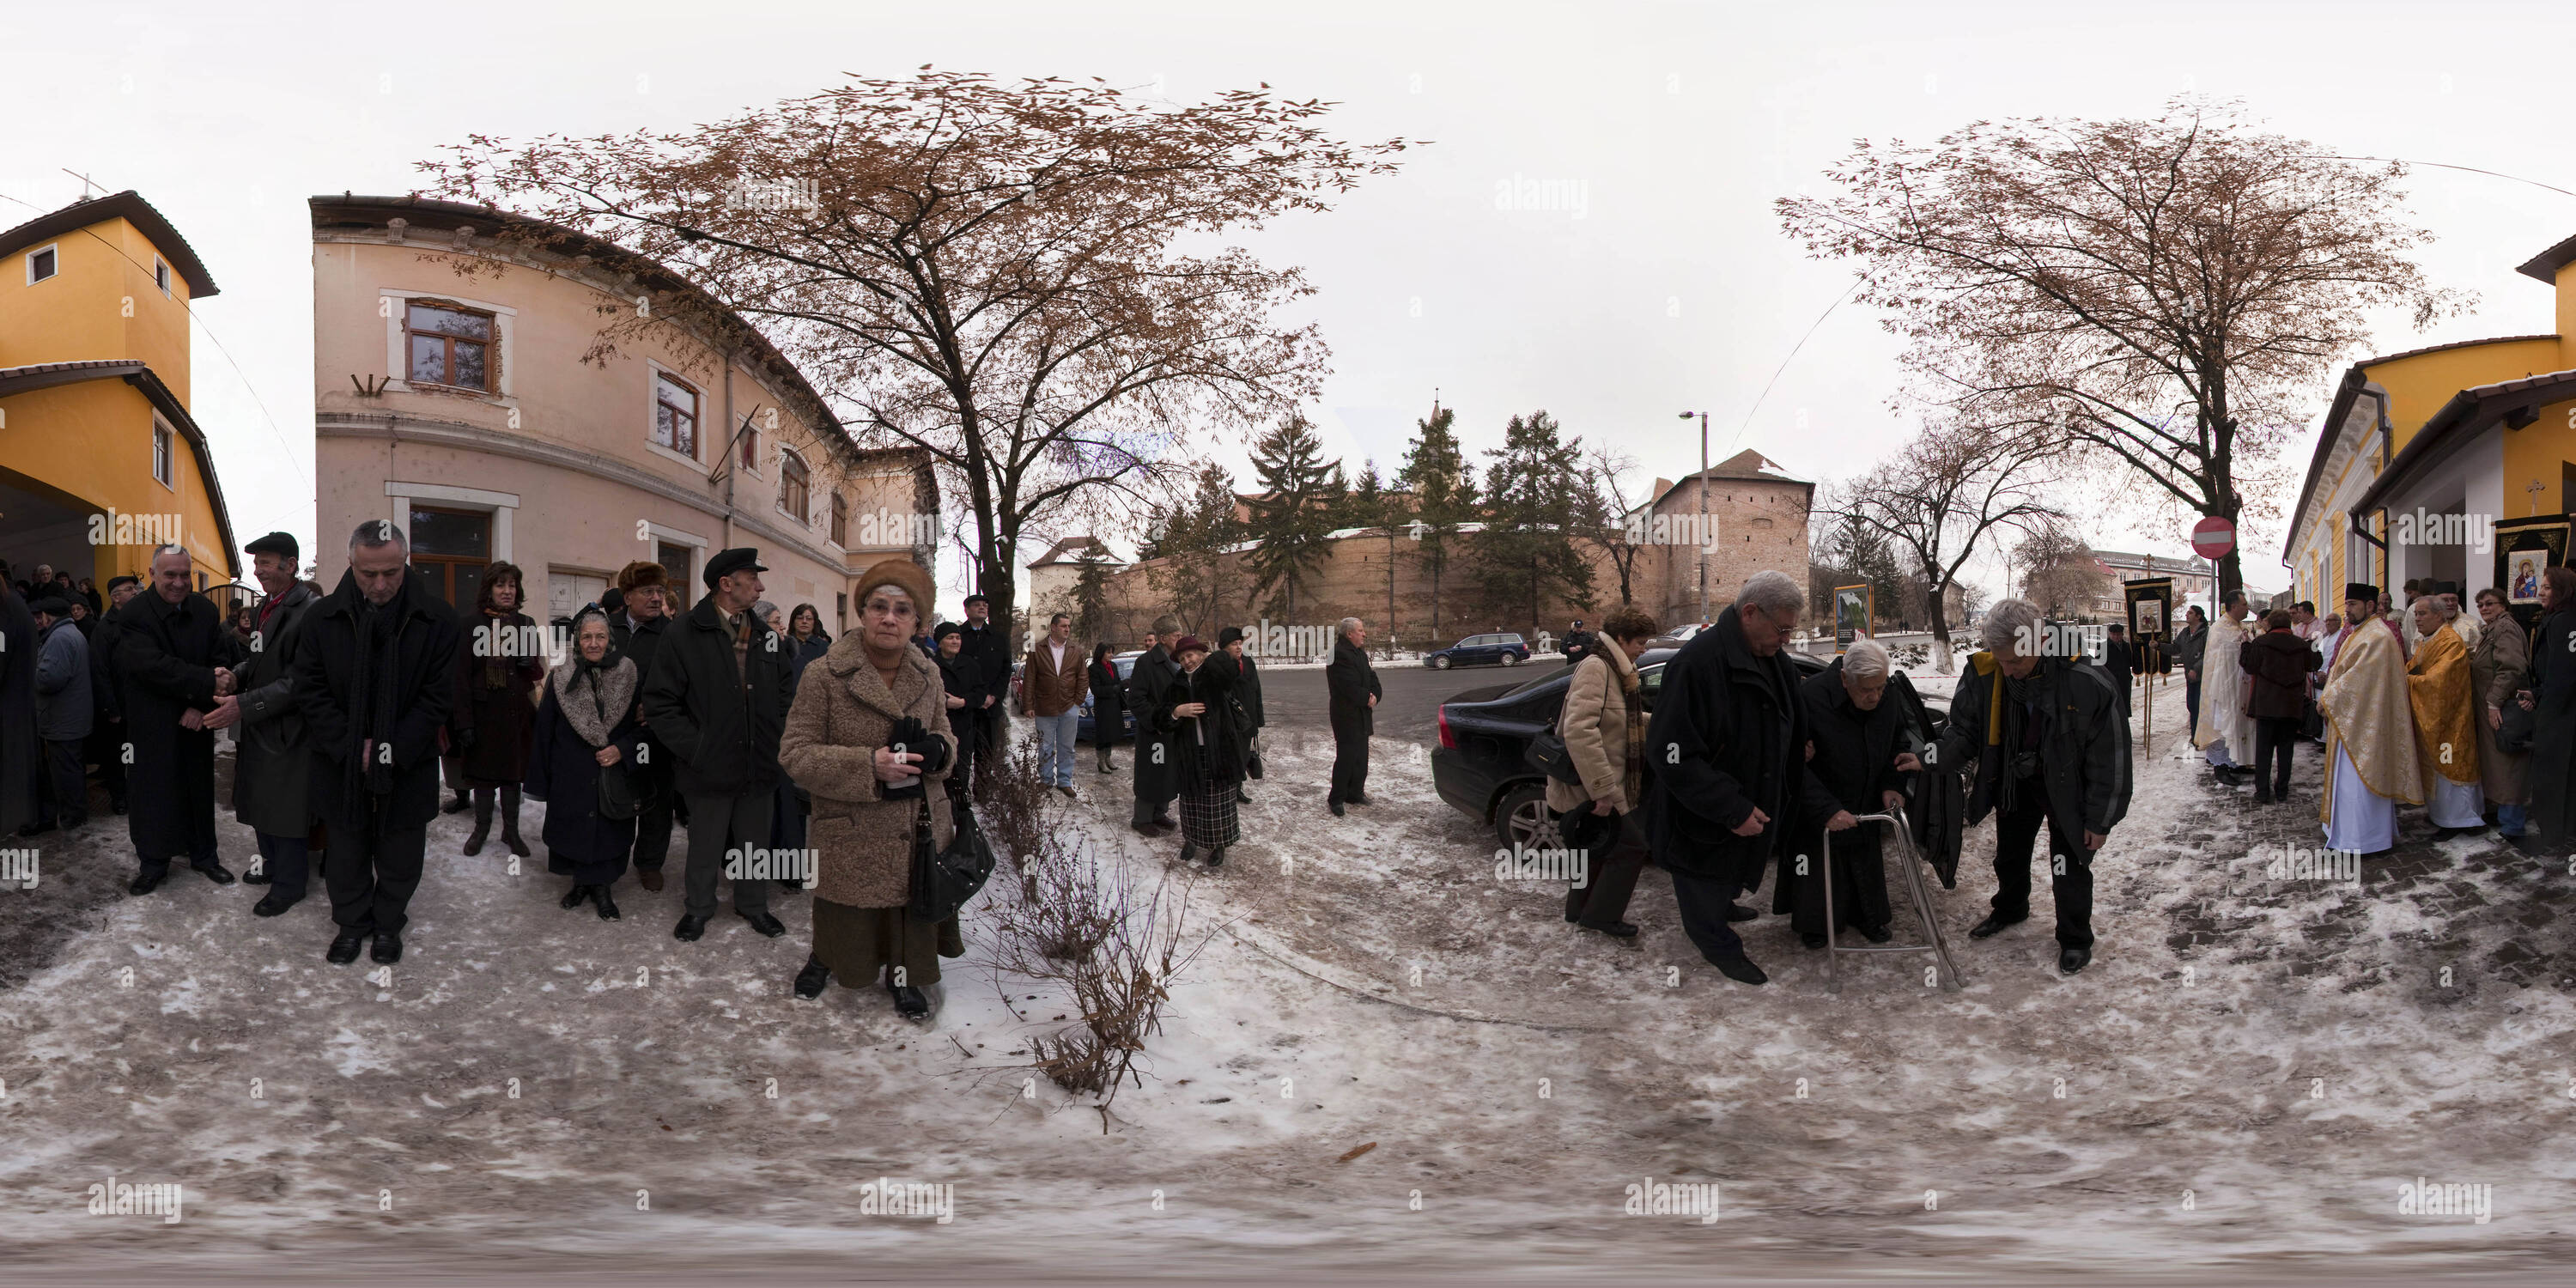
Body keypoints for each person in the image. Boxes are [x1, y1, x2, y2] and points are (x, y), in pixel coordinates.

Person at [779, 558, 959, 1018]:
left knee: (907, 909)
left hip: (915, 824)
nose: (889, 618)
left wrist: (941, 751)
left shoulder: (930, 674)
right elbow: (795, 754)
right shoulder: (824, 674)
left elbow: (946, 733)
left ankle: (905, 979)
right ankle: (824, 959)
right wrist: (868, 765)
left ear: (917, 623)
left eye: (902, 610)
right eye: (879, 606)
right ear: (862, 613)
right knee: (843, 912)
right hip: (850, 825)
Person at [1644, 573, 1840, 985]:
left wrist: (1798, 741)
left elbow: (1787, 715)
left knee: (1728, 872)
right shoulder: (1697, 664)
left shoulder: (1774, 661)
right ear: (1750, 613)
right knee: (1703, 881)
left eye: (1791, 629)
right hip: (1706, 814)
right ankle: (1718, 945)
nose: (1786, 638)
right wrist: (1731, 808)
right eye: (1782, 628)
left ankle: (1723, 906)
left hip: (1752, 801)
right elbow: (1671, 753)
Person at [1934, 598, 2131, 975]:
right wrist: (1931, 757)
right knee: (2009, 854)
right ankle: (2010, 907)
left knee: (2067, 864)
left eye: (2015, 662)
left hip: (2066, 786)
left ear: (2040, 640)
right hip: (2013, 779)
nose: (2007, 671)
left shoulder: (2086, 681)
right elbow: (1964, 730)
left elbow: (2112, 757)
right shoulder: (1987, 670)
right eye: (2001, 660)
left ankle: (2074, 937)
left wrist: (2100, 819)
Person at [296, 522, 463, 964]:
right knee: (347, 850)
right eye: (368, 574)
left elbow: (438, 696)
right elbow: (309, 690)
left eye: (391, 572)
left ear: (405, 563)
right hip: (340, 761)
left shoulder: (438, 619)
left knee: (400, 852)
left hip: (409, 760)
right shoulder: (321, 618)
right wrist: (353, 746)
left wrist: (391, 747)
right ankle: (351, 925)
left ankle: (389, 925)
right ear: (351, 564)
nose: (380, 584)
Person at [641, 547, 793, 943]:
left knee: (754, 843)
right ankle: (699, 908)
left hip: (758, 761)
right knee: (705, 844)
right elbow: (660, 704)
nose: (760, 587)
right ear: (726, 585)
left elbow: (785, 692)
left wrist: (774, 737)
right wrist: (697, 749)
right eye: (752, 579)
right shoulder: (684, 633)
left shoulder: (764, 635)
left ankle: (754, 905)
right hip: (707, 765)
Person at [113, 544, 246, 894]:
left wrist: (200, 705)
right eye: (170, 574)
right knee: (153, 793)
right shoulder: (134, 615)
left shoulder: (203, 609)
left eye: (185, 574)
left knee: (198, 789)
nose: (178, 582)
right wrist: (202, 686)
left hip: (196, 721)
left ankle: (204, 856)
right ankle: (153, 863)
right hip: (152, 723)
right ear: (153, 573)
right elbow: (151, 667)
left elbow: (219, 658)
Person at [1783, 639, 1926, 951]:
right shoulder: (1810, 697)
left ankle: (1868, 917)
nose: (1875, 696)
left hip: (1867, 797)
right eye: (1866, 690)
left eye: (1880, 688)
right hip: (1822, 802)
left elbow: (1897, 745)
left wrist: (1893, 785)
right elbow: (1791, 764)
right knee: (1819, 872)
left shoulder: (1886, 695)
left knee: (1865, 865)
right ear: (1845, 679)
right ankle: (1817, 923)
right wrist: (1824, 809)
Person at [1549, 606, 1661, 939]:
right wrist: (1600, 791)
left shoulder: (1615, 668)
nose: (1644, 649)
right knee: (1631, 847)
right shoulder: (1597, 668)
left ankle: (1578, 910)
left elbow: (1618, 719)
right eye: (1640, 642)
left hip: (1601, 781)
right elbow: (1580, 731)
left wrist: (1660, 722)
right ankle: (1601, 916)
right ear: (1621, 639)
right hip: (1595, 784)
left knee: (1595, 849)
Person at [526, 607, 644, 920]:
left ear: (610, 639)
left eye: (600, 636)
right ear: (578, 641)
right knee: (574, 829)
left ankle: (603, 888)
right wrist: (541, 780)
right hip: (571, 771)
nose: (594, 643)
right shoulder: (561, 676)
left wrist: (622, 749)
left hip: (613, 772)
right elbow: (544, 730)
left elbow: (645, 726)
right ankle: (580, 883)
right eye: (587, 637)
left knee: (608, 831)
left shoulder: (630, 674)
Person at [231, 532, 322, 916]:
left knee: (285, 809)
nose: (258, 570)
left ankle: (290, 885)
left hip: (289, 730)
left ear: (290, 565)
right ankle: (271, 866)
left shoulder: (310, 610)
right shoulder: (268, 605)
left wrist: (243, 704)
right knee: (260, 802)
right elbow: (257, 660)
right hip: (260, 722)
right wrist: (234, 676)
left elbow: (300, 680)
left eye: (266, 563)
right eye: (256, 563)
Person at [2318, 582, 2422, 856]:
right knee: (2349, 782)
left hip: (2366, 724)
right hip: (2353, 720)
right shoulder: (2360, 632)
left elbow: (2359, 680)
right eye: (2347, 604)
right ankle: (2350, 833)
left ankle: (2364, 839)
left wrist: (2328, 697)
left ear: (2371, 606)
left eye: (2352, 604)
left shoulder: (2377, 636)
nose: (2347, 609)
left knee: (2359, 782)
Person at [455, 562, 544, 859]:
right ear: (489, 589)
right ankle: (481, 830)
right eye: (500, 585)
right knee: (483, 778)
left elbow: (536, 673)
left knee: (511, 777)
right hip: (483, 717)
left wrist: (527, 664)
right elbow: (461, 677)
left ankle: (511, 831)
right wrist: (464, 722)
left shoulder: (526, 624)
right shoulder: (470, 625)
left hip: (515, 715)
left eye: (512, 586)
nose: (507, 591)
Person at [610, 561, 676, 892]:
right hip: (612, 732)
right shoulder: (607, 628)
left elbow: (688, 683)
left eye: (660, 591)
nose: (655, 598)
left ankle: (650, 862)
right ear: (628, 596)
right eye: (647, 591)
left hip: (656, 734)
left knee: (656, 798)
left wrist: (657, 708)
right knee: (614, 793)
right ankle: (610, 856)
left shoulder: (674, 634)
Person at [1157, 635, 1244, 865]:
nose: (1187, 661)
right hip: (1189, 752)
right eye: (1183, 658)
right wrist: (1177, 711)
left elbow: (1231, 673)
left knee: (1219, 801)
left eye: (1191, 655)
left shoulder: (1214, 675)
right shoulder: (1176, 684)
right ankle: (1192, 839)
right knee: (1191, 800)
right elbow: (1160, 718)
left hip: (1220, 748)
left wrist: (1213, 658)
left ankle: (1219, 844)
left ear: (1201, 653)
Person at [2407, 596, 2484, 841]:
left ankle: (2460, 819)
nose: (2417, 619)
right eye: (2416, 614)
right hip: (2435, 718)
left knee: (2450, 763)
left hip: (2450, 720)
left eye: (2422, 614)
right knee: (2439, 767)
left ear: (2439, 616)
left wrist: (2405, 680)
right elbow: (2414, 666)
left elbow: (2438, 682)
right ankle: (2444, 816)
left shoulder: (2450, 641)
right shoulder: (2426, 641)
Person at [2470, 588, 2535, 853]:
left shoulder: (2505, 629)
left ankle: (2513, 823)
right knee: (2498, 761)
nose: (2484, 608)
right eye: (2480, 604)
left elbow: (2511, 668)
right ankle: (2503, 814)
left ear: (2503, 605)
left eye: (2489, 604)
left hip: (2503, 706)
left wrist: (2494, 701)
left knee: (2508, 762)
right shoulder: (2493, 628)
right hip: (2493, 705)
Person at [27, 596, 92, 834]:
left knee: (66, 771)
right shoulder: (69, 633)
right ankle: (75, 813)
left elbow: (48, 680)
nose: (37, 621)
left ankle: (73, 817)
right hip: (71, 716)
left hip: (63, 718)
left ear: (47, 615)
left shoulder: (59, 638)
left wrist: (28, 671)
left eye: (39, 616)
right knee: (71, 768)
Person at [2243, 609, 2318, 805]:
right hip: (2290, 705)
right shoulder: (2300, 644)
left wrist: (2245, 646)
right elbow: (2312, 665)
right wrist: (2315, 647)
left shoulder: (2261, 642)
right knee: (2286, 750)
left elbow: (2250, 667)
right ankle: (2282, 790)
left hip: (2266, 704)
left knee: (2264, 751)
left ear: (2272, 624)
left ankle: (2262, 792)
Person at [83, 574, 140, 817]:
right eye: (129, 589)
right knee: (118, 757)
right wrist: (112, 709)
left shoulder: (142, 622)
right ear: (116, 597)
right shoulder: (104, 630)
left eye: (134, 588)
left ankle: (139, 795)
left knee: (139, 755)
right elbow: (99, 671)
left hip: (142, 706)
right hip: (119, 707)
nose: (135, 592)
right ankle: (120, 798)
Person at [2528, 567, 2576, 848]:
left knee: (2553, 775)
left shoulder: (2563, 622)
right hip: (2560, 709)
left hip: (2561, 716)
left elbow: (2563, 674)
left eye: (2547, 587)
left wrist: (2545, 706)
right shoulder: (2560, 619)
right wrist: (2536, 692)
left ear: (2562, 590)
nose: (2541, 592)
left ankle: (2555, 833)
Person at [1125, 617, 1182, 835]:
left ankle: (1159, 813)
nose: (1180, 639)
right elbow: (1136, 700)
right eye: (1176, 636)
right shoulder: (1146, 663)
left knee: (1167, 772)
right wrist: (1155, 722)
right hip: (1154, 732)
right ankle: (1142, 818)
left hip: (1171, 729)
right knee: (1151, 773)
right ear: (1163, 638)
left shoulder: (1176, 661)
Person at [2195, 590, 2256, 787]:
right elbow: (2220, 657)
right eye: (2244, 604)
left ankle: (2235, 762)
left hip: (2238, 687)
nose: (2247, 608)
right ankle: (2220, 768)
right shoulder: (2220, 628)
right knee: (2222, 727)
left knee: (2237, 725)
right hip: (2221, 689)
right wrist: (2242, 644)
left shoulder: (2239, 626)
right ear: (2234, 606)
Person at [1023, 611, 1085, 798]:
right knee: (1045, 747)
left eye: (1068, 626)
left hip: (1069, 707)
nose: (1067, 629)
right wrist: (1028, 705)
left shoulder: (1076, 650)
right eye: (1063, 626)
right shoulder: (1037, 649)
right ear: (1053, 627)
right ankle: (1046, 781)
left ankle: (1064, 781)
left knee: (1067, 747)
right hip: (1044, 707)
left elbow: (1082, 678)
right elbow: (1030, 679)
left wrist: (1077, 703)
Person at [1325, 617, 1382, 817]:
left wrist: (1375, 695)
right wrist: (1367, 698)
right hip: (1346, 715)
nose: (1364, 634)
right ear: (1349, 634)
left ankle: (1355, 793)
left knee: (1361, 757)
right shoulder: (1337, 654)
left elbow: (1371, 676)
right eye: (1360, 630)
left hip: (1362, 713)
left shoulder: (1359, 653)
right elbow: (1347, 686)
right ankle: (1337, 798)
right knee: (1346, 758)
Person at [957, 592, 1012, 781]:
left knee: (986, 754)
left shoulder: (998, 638)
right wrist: (967, 699)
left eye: (985, 605)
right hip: (964, 708)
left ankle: (982, 791)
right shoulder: (957, 636)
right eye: (977, 605)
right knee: (961, 754)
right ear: (966, 610)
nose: (982, 607)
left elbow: (1006, 670)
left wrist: (993, 696)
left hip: (990, 707)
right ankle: (960, 795)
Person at [933, 623, 983, 799]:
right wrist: (944, 702)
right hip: (938, 727)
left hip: (964, 726)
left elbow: (980, 693)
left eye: (958, 637)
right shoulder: (930, 666)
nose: (955, 641)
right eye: (950, 638)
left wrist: (963, 702)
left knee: (962, 770)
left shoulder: (970, 665)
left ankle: (959, 809)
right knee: (940, 769)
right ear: (939, 642)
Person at [1217, 625, 1267, 799]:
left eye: (1240, 643)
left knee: (1244, 755)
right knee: (1231, 757)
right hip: (1229, 721)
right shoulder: (1218, 665)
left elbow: (1256, 690)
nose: (1238, 647)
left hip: (1248, 719)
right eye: (1233, 644)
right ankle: (1228, 791)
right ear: (1223, 647)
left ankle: (1237, 789)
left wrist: (1258, 718)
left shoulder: (1247, 661)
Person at [1087, 641, 1124, 775]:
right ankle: (1101, 761)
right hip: (1102, 706)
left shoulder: (1113, 666)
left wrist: (1122, 685)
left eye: (1111, 652)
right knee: (1102, 734)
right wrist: (1113, 689)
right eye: (1108, 652)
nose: (1111, 655)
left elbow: (1118, 681)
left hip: (1114, 705)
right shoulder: (1094, 668)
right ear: (1101, 653)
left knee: (1111, 733)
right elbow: (1096, 690)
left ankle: (1108, 759)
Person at [2174, 605, 2208, 743]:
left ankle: (2199, 736)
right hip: (2190, 677)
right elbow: (2176, 647)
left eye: (2190, 613)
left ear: (2198, 616)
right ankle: (2195, 735)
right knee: (2191, 706)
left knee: (2199, 706)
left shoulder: (2205, 632)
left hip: (2202, 677)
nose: (2187, 615)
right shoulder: (2185, 632)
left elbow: (2208, 654)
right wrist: (2159, 646)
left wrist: (2196, 668)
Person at [2099, 623, 2137, 720]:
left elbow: (2131, 661)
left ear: (2122, 635)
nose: (2116, 637)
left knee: (2124, 706)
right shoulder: (2103, 647)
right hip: (2110, 681)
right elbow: (2099, 666)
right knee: (2111, 706)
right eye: (2114, 634)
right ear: (2110, 634)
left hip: (2124, 681)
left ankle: (2124, 725)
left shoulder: (2127, 646)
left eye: (2118, 634)